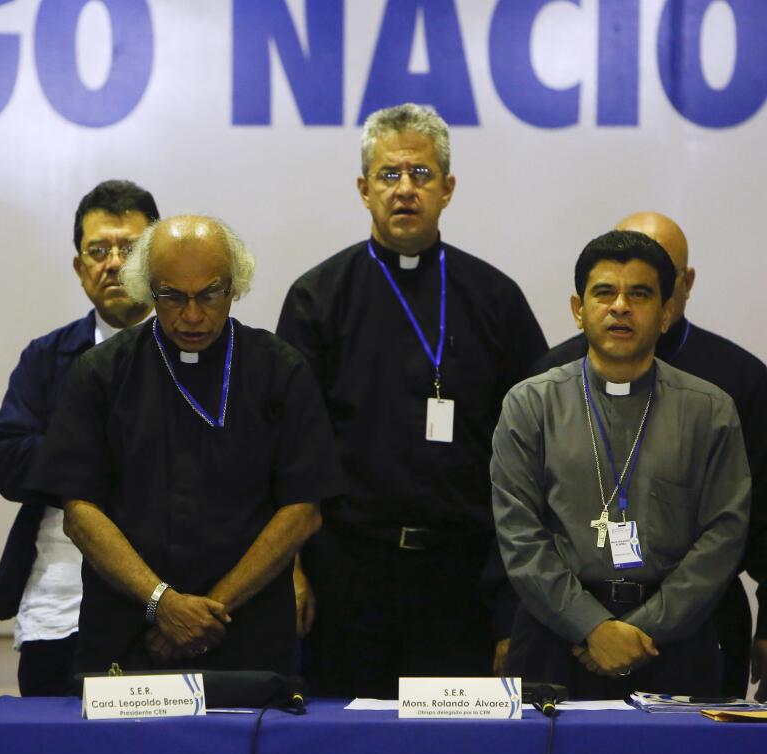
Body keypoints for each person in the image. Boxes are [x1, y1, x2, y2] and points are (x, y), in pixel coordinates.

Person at [276, 102, 546, 698]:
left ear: (447, 188)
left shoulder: (496, 299)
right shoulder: (318, 299)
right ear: (363, 188)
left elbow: (533, 458)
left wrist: (512, 602)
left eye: (421, 175)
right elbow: (286, 451)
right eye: (389, 175)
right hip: (347, 573)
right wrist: (291, 570)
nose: (405, 190)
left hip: (462, 576)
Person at [27, 215, 343, 676]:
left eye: (209, 294)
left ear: (234, 287)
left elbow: (303, 510)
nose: (192, 315)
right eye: (172, 296)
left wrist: (207, 610)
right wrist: (163, 603)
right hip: (128, 633)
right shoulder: (100, 373)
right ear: (147, 289)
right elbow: (80, 513)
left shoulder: (281, 370)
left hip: (245, 632)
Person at [491, 230, 749, 698]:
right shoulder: (530, 404)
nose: (620, 306)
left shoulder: (710, 411)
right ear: (578, 309)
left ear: (667, 311)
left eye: (640, 294)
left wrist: (640, 631)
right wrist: (591, 626)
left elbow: (724, 536)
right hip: (555, 640)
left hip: (673, 644)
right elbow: (519, 535)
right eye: (604, 292)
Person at [0, 179, 159, 696]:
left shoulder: (200, 355)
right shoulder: (46, 357)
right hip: (60, 607)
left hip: (168, 607)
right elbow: (10, 463)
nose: (113, 263)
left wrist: (73, 463)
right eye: (97, 250)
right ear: (79, 267)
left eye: (129, 249)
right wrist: (122, 458)